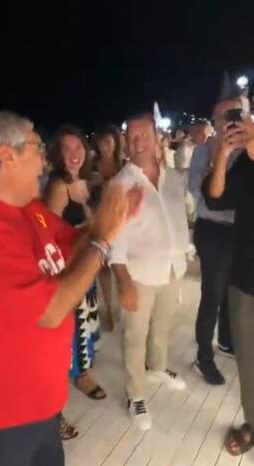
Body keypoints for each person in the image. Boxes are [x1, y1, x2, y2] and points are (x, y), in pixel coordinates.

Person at [0, 111, 142, 466]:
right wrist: (103, 240)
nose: (45, 158)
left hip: (38, 406)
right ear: (6, 155)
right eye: (38, 147)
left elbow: (71, 242)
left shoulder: (30, 211)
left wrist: (107, 219)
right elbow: (50, 310)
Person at [110, 113, 189, 432]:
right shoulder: (121, 184)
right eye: (132, 136)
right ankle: (135, 394)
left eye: (144, 135)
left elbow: (179, 219)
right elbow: (113, 240)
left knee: (162, 326)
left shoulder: (173, 179)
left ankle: (157, 368)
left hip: (172, 267)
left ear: (158, 138)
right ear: (126, 143)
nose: (138, 141)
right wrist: (124, 283)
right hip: (139, 274)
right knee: (134, 336)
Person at [203, 118, 254, 456]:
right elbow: (215, 197)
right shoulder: (245, 164)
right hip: (245, 277)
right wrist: (223, 152)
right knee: (248, 360)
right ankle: (252, 423)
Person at [45, 125, 105, 398]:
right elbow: (50, 238)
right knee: (70, 327)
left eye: (78, 146)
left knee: (84, 323)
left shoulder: (85, 181)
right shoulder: (58, 187)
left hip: (86, 265)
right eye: (66, 148)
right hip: (69, 268)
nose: (73, 153)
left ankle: (81, 372)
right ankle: (70, 380)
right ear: (57, 153)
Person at [188, 98, 242, 385]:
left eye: (235, 115)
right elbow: (200, 190)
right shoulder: (204, 150)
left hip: (240, 231)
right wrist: (218, 159)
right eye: (223, 116)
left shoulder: (247, 150)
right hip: (212, 230)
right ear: (213, 120)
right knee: (212, 295)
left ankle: (225, 340)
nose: (229, 122)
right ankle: (203, 356)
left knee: (233, 292)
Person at [92, 125, 124, 331]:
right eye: (102, 142)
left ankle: (123, 308)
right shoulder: (92, 165)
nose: (105, 147)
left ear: (115, 143)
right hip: (98, 219)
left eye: (109, 142)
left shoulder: (123, 165)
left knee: (120, 265)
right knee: (102, 267)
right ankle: (109, 311)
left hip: (120, 220)